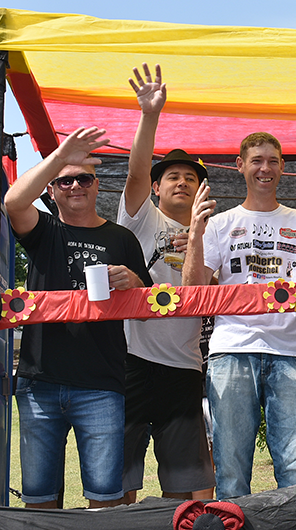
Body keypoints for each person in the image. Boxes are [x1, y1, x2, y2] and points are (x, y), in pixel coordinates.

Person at [183, 132, 296, 498]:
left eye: (272, 161)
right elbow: (193, 291)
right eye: (256, 160)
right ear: (240, 166)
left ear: (282, 166)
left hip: (289, 352)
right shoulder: (220, 223)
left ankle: (292, 523)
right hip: (231, 350)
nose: (264, 168)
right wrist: (194, 233)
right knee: (231, 470)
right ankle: (234, 521)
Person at [6, 127, 151, 508]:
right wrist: (59, 157)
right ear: (51, 191)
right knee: (38, 498)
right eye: (64, 181)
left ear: (97, 185)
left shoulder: (122, 238)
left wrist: (134, 282)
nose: (75, 186)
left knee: (105, 499)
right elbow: (14, 202)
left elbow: (147, 311)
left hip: (101, 383)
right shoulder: (44, 229)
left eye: (84, 179)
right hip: (40, 381)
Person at [116, 63, 215, 503]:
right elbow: (136, 173)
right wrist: (150, 114)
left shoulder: (211, 233)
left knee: (183, 485)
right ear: (157, 188)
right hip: (133, 360)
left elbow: (199, 296)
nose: (182, 182)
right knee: (121, 478)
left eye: (191, 178)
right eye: (173, 176)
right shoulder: (142, 218)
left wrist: (196, 237)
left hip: (184, 366)